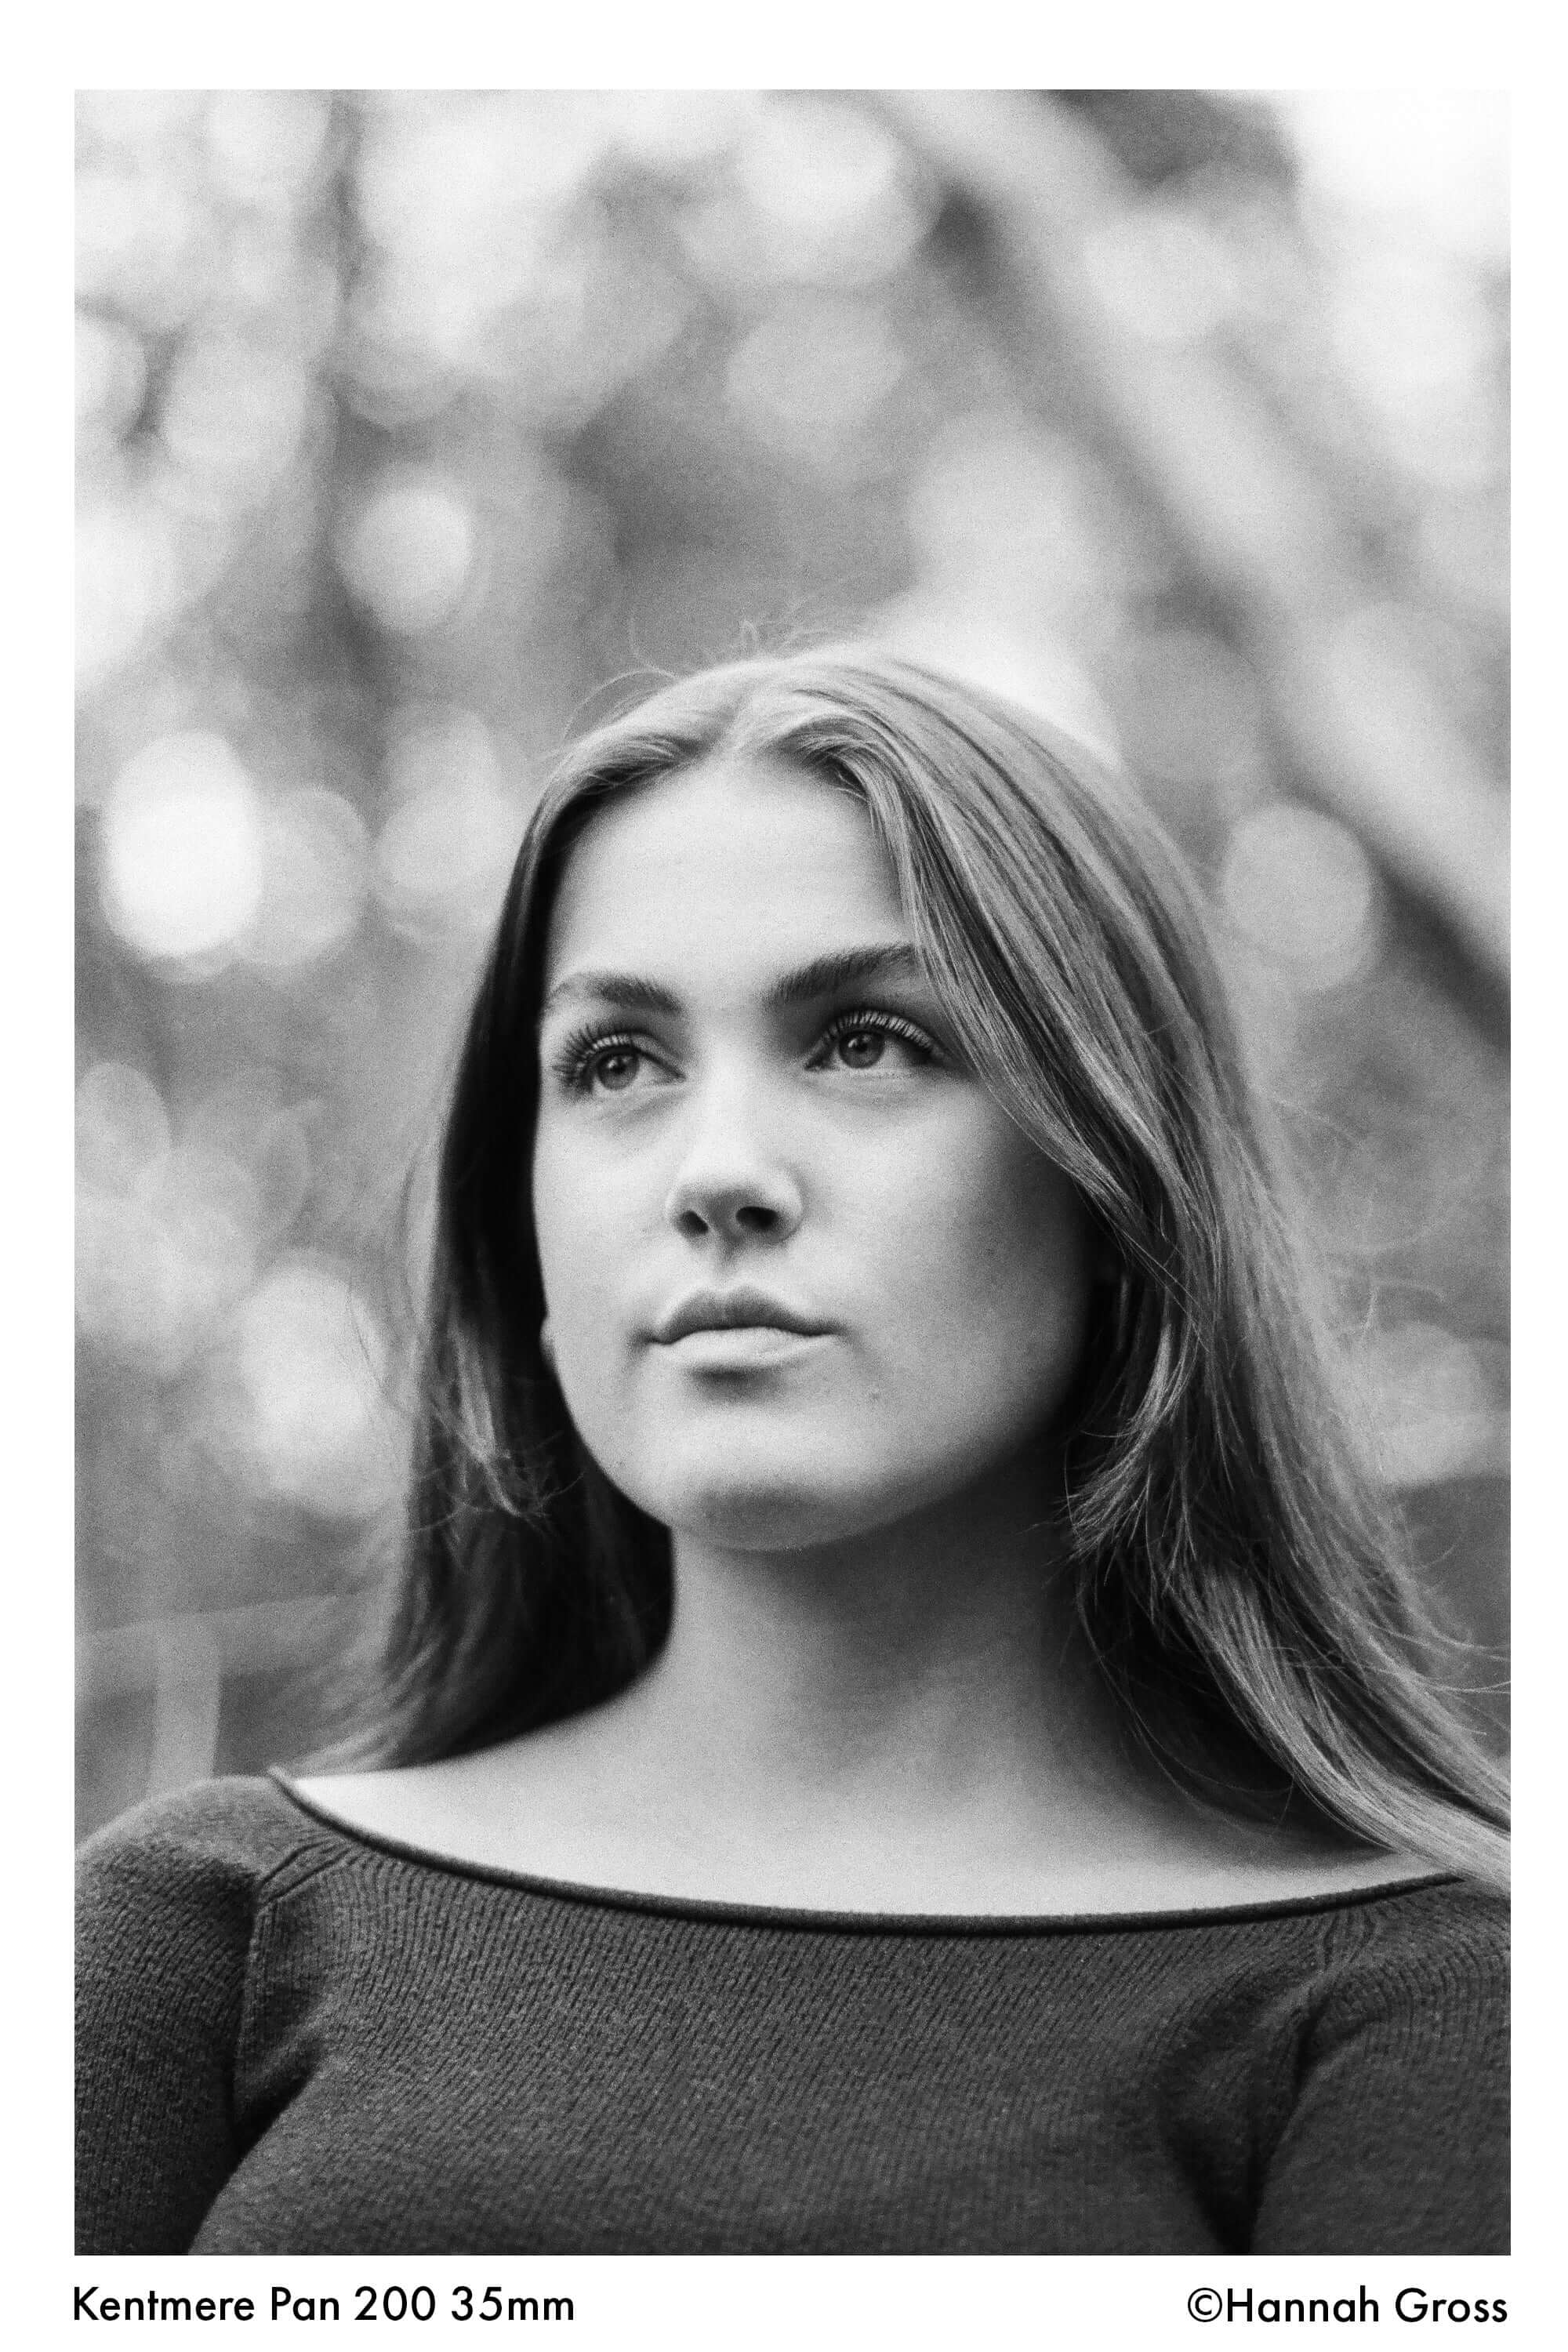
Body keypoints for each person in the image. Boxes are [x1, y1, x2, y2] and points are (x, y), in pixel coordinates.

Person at [77, 647, 1508, 2257]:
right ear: (521, 1230)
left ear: (1117, 1186)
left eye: (866, 1041)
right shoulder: (204, 1932)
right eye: (617, 1064)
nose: (719, 1175)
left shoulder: (1428, 1996)